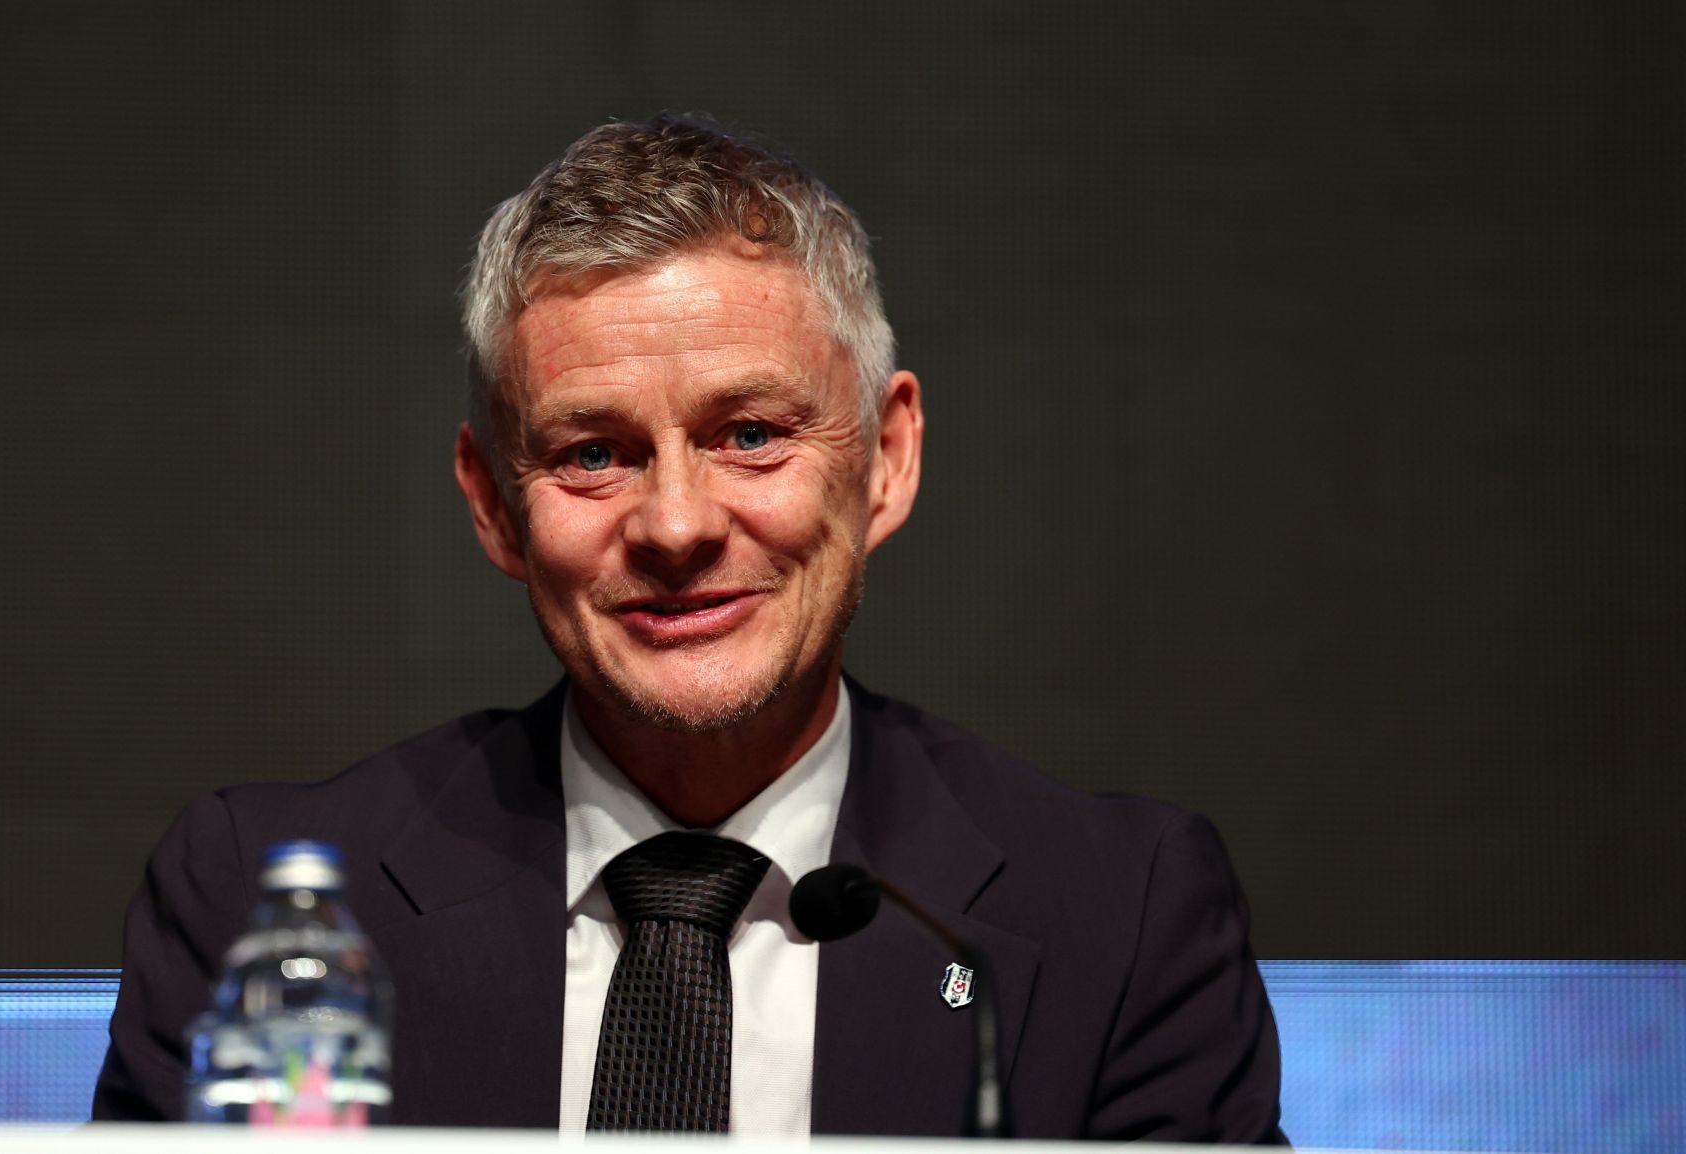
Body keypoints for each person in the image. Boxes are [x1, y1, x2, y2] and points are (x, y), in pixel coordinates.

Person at [92, 113, 1286, 1142]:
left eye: (751, 432)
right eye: (592, 454)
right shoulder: (264, 901)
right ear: (492, 505)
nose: (675, 523)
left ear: (888, 460)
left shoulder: (1118, 918)